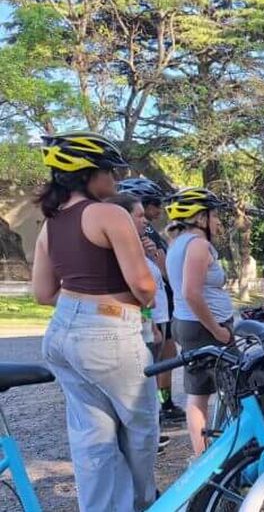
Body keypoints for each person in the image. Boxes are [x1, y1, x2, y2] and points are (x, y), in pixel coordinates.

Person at [32, 131, 159, 511]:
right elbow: (144, 284)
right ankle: (142, 504)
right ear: (88, 173)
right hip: (111, 332)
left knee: (93, 439)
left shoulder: (50, 224)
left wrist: (79, 304)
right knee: (140, 430)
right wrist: (117, 303)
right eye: (110, 171)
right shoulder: (109, 214)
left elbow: (42, 293)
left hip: (63, 333)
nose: (116, 180)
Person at [164, 187, 234, 456]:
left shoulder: (176, 244)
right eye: (215, 215)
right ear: (200, 218)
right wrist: (216, 330)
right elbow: (190, 292)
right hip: (206, 328)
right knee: (234, 388)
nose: (218, 222)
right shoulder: (198, 245)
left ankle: (202, 456)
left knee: (198, 392)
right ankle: (232, 453)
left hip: (186, 323)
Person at [104, 193, 172, 455]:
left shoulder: (144, 247)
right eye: (139, 215)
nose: (145, 221)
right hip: (142, 325)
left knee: (150, 378)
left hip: (160, 317)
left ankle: (153, 430)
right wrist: (150, 323)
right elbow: (142, 294)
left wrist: (154, 258)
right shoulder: (124, 251)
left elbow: (163, 281)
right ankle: (143, 440)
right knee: (141, 385)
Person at [117, 177, 186, 422]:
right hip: (147, 312)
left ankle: (163, 402)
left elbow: (163, 270)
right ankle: (148, 413)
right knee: (146, 363)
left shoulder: (151, 234)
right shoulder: (126, 237)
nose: (158, 212)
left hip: (163, 307)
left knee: (165, 358)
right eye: (155, 204)